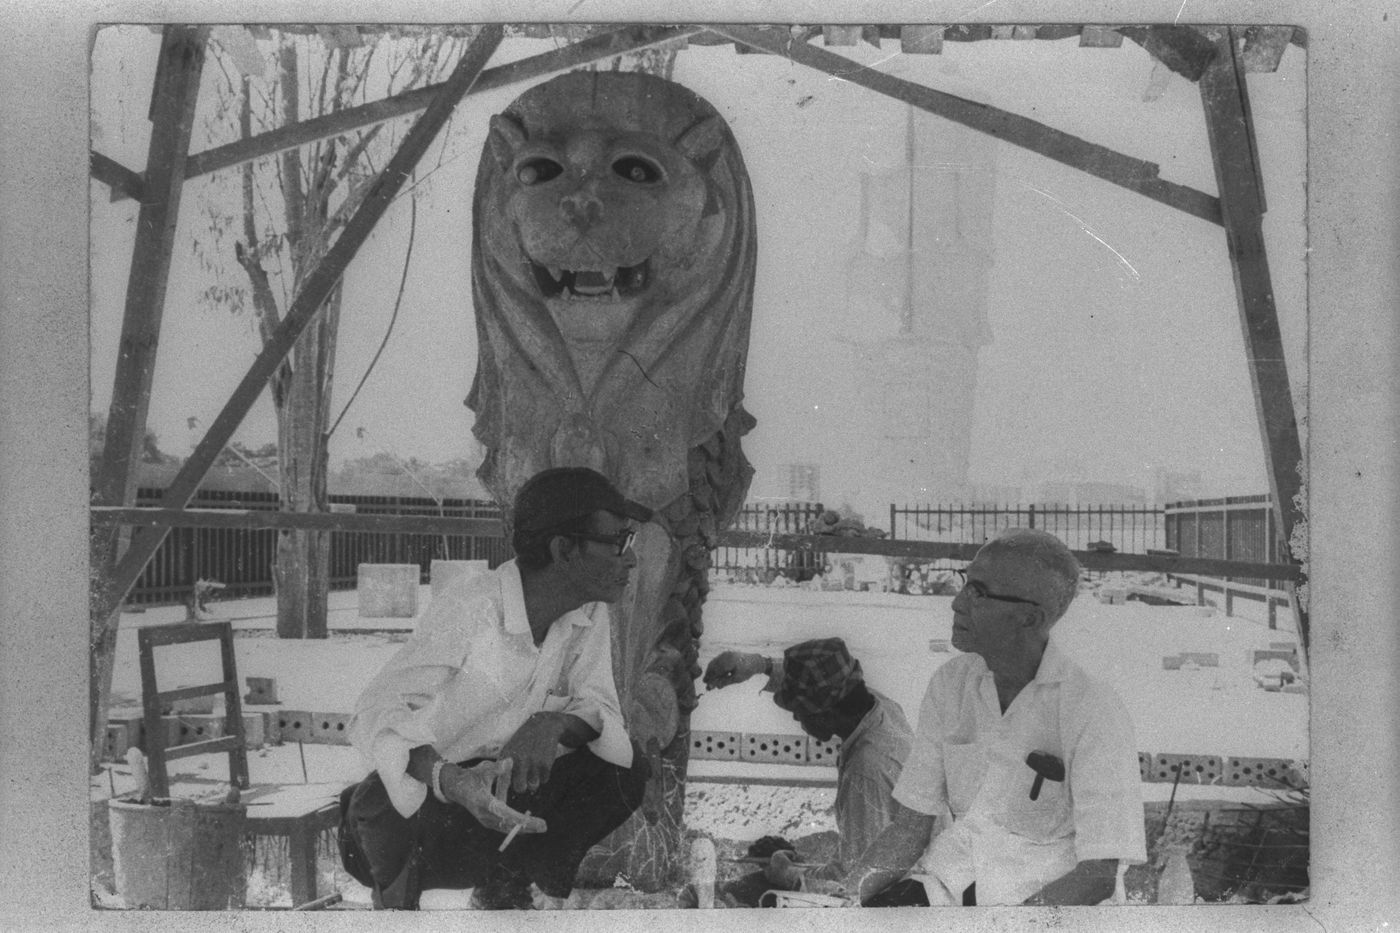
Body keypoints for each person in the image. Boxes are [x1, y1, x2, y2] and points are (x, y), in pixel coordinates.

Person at [338, 466, 653, 910]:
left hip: (492, 805)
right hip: (411, 812)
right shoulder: (474, 604)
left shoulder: (586, 613)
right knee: (387, 806)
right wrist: (453, 781)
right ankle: (397, 908)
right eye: (617, 542)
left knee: (624, 770)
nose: (631, 559)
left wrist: (553, 723)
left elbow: (601, 706)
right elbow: (373, 711)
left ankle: (508, 887)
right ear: (563, 549)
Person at [839, 528, 1147, 907]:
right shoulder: (951, 685)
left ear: (1030, 619)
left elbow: (1097, 875)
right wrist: (841, 905)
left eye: (979, 593)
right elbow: (910, 827)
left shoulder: (1092, 709)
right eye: (965, 583)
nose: (957, 603)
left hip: (1049, 916)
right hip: (949, 891)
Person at [702, 637, 912, 906]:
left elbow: (856, 883)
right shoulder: (878, 707)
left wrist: (788, 876)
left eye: (799, 710)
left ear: (825, 713)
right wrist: (759, 665)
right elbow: (824, 683)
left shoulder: (866, 770)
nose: (795, 718)